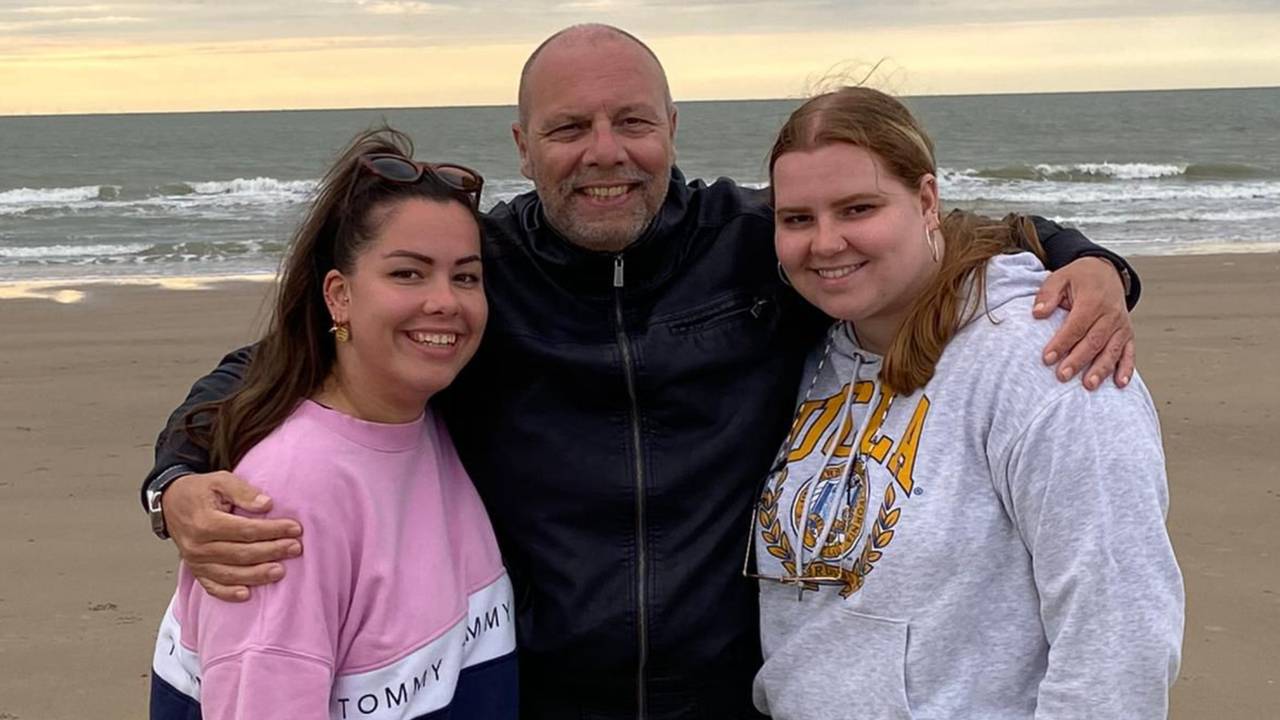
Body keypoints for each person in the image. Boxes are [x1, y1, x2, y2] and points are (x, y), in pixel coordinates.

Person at [139, 25, 1144, 719]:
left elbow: (933, 230)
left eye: (632, 122)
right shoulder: (484, 278)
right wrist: (176, 482)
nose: (604, 154)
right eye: (569, 129)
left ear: (671, 129)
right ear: (523, 145)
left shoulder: (759, 244)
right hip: (539, 693)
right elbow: (276, 362)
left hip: (729, 696)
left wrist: (1084, 259)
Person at [750, 87, 1183, 719]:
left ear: (926, 199)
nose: (825, 243)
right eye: (798, 219)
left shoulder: (1047, 358)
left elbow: (1118, 635)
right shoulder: (816, 354)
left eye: (858, 208)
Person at [147, 128, 518, 719]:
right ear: (339, 296)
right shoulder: (286, 502)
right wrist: (167, 485)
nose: (446, 301)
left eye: (465, 276)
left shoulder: (425, 425)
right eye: (408, 273)